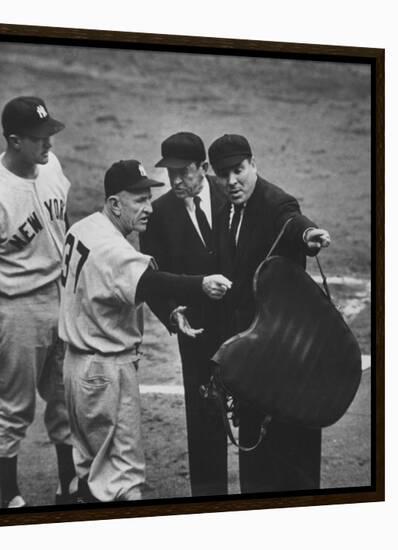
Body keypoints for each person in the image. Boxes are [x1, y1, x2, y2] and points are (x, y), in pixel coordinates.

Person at [58, 159, 231, 502]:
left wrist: (169, 316)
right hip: (105, 372)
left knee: (93, 470)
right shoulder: (115, 250)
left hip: (76, 369)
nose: (149, 208)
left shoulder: (84, 227)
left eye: (149, 198)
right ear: (114, 204)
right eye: (138, 199)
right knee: (123, 480)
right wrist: (201, 284)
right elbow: (153, 281)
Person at [208, 133, 331, 494]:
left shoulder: (274, 201)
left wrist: (309, 234)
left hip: (288, 360)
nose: (231, 181)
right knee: (257, 462)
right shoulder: (228, 208)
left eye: (238, 170)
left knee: (292, 457)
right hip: (255, 357)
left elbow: (292, 221)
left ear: (253, 165)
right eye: (223, 174)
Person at [0, 96, 77, 508]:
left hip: (58, 295)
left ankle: (67, 480)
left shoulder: (51, 165)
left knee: (64, 395)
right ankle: (10, 493)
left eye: (50, 134)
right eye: (39, 138)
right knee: (14, 407)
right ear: (14, 141)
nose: (49, 144)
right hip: (14, 308)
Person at [139, 132, 229, 497]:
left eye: (184, 171)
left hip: (244, 326)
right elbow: (154, 277)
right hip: (197, 332)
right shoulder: (159, 214)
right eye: (170, 172)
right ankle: (210, 503)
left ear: (203, 168)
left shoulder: (231, 196)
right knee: (204, 419)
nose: (175, 180)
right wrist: (172, 312)